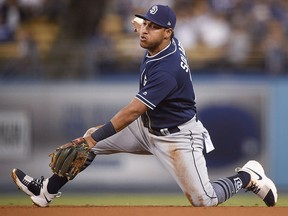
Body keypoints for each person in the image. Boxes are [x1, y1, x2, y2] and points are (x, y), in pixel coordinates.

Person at [11, 4, 277, 207]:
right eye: (145, 24)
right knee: (89, 139)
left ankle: (248, 176)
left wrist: (94, 140)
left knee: (203, 200)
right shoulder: (164, 41)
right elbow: (145, 25)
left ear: (168, 33)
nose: (145, 30)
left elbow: (133, 111)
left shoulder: (167, 70)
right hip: (147, 128)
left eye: (153, 26)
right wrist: (141, 22)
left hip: (178, 138)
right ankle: (45, 191)